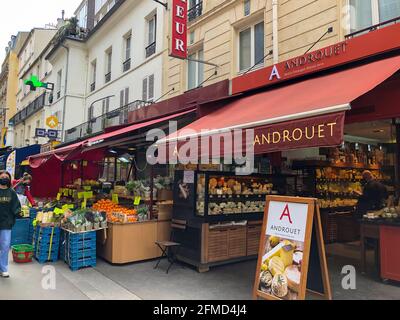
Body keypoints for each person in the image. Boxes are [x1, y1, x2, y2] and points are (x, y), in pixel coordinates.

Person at [0, 170, 22, 278]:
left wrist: (18, 212)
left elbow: (16, 205)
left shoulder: (11, 192)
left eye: (6, 177)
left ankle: (3, 268)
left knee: (5, 246)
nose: (4, 178)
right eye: (2, 177)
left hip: (6, 223)